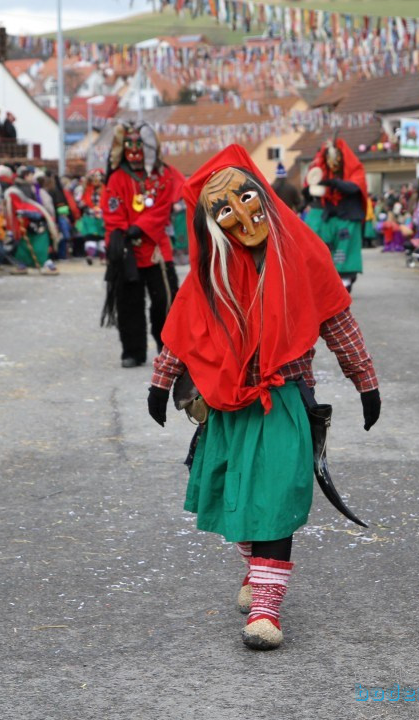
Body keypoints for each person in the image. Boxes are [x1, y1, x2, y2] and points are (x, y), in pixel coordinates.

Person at [146, 144, 380, 651]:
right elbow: (184, 329)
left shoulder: (303, 250)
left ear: (263, 194)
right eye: (225, 208)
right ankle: (257, 568)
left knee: (274, 495)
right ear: (213, 221)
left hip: (285, 398)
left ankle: (267, 610)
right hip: (227, 404)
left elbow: (337, 319)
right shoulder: (213, 266)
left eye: (246, 197)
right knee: (240, 494)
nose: (243, 214)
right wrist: (161, 381)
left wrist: (366, 380)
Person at [101, 121, 184, 367]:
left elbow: (163, 206)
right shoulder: (116, 178)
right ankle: (133, 351)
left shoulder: (163, 174)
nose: (136, 151)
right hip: (128, 252)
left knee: (164, 300)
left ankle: (168, 347)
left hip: (157, 249)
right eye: (130, 146)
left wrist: (142, 226)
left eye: (140, 146)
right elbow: (111, 209)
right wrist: (122, 234)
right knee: (129, 305)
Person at [304, 138, 368, 291]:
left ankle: (343, 284)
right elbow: (307, 190)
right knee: (318, 249)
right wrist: (315, 186)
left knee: (344, 253)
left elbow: (354, 187)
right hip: (326, 216)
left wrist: (333, 183)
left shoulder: (355, 170)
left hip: (347, 217)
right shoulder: (319, 169)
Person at [4, 167, 60, 275]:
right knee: (27, 247)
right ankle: (24, 265)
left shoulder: (31, 187)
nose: (32, 177)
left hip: (35, 221)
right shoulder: (19, 189)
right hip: (28, 222)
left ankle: (45, 264)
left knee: (40, 246)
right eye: (30, 175)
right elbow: (22, 206)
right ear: (26, 176)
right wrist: (29, 213)